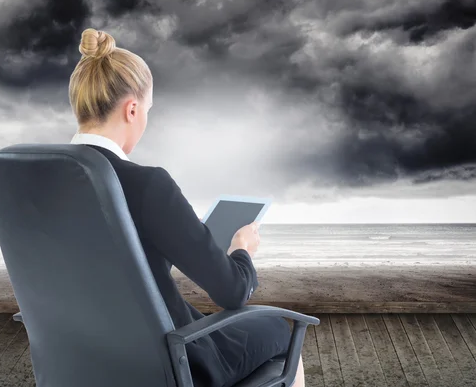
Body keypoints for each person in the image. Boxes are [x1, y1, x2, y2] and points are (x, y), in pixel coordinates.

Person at [67, 28, 305, 387]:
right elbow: (231, 293)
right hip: (171, 362)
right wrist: (240, 250)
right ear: (132, 109)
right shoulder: (147, 185)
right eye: (147, 110)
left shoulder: (36, 179)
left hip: (79, 356)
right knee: (280, 329)